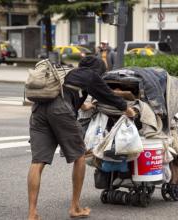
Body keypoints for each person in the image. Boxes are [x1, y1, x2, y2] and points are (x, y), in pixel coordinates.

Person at [27, 56, 135, 220]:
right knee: (80, 157)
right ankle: (75, 207)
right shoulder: (91, 75)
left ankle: (32, 213)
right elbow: (108, 96)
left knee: (37, 162)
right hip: (60, 111)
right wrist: (127, 109)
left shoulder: (69, 73)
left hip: (38, 110)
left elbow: (68, 93)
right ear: (97, 69)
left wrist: (84, 105)